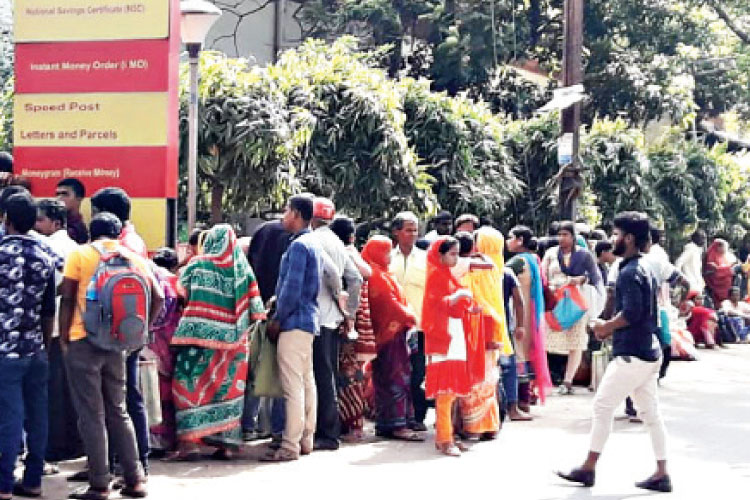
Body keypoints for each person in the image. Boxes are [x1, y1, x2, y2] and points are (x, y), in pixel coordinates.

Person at [558, 211, 671, 493]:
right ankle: (662, 472)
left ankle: (588, 468)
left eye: (616, 235)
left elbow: (632, 312)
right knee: (651, 414)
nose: (613, 239)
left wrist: (605, 326)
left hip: (632, 354)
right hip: (648, 352)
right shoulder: (642, 266)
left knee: (602, 406)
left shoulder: (631, 271)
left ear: (629, 239)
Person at [60, 212, 164, 499]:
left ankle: (99, 483)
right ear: (118, 234)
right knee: (119, 410)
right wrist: (139, 335)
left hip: (83, 341)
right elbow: (158, 296)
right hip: (117, 343)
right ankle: (135, 479)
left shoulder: (80, 255)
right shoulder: (134, 258)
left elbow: (68, 298)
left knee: (91, 415)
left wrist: (65, 338)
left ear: (91, 232)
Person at [170, 224, 266, 460]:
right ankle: (227, 445)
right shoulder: (244, 271)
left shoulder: (197, 264)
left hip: (196, 338)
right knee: (229, 392)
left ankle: (189, 444)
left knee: (187, 385)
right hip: (234, 345)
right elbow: (256, 311)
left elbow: (179, 293)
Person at [88, 187, 150, 477]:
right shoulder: (131, 242)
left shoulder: (123, 246)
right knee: (123, 397)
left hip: (118, 332)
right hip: (127, 330)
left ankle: (128, 464)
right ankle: (126, 463)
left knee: (122, 400)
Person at [0, 193, 57, 500]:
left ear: (6, 219)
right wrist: (44, 346)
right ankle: (33, 480)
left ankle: (4, 483)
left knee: (8, 416)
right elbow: (49, 309)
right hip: (35, 346)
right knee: (37, 414)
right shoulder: (44, 255)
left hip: (5, 350)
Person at [262, 194, 325, 462]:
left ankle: (289, 444)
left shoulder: (299, 246)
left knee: (292, 386)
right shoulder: (314, 243)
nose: (283, 216)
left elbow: (291, 290)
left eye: (286, 211)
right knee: (306, 382)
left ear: (297, 214)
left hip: (294, 322)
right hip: (308, 321)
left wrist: (277, 318)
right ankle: (305, 438)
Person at [310, 197, 363, 451]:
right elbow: (355, 279)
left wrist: (340, 301)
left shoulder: (314, 241)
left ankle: (326, 434)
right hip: (332, 320)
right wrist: (348, 313)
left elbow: (339, 279)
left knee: (319, 377)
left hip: (315, 318)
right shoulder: (337, 243)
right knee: (327, 376)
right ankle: (327, 431)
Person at [422, 236, 483, 456]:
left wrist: (468, 306)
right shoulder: (435, 276)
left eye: (458, 254)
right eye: (452, 254)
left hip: (455, 335)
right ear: (440, 255)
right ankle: (444, 439)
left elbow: (458, 304)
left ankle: (448, 436)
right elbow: (433, 306)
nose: (456, 258)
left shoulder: (447, 275)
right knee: (445, 392)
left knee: (454, 391)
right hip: (442, 338)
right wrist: (456, 297)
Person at [35, 199, 84, 465]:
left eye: (40, 220)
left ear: (55, 222)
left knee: (54, 392)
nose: (36, 224)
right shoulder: (75, 248)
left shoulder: (48, 248)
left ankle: (57, 446)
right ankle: (75, 444)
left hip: (53, 328)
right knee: (69, 391)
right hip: (73, 329)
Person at [360, 236, 421, 441]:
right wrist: (409, 316)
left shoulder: (385, 274)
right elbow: (388, 305)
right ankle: (396, 424)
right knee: (394, 379)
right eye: (385, 252)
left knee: (395, 378)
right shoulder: (376, 276)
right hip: (388, 335)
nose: (388, 256)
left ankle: (392, 422)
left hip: (395, 334)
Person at [459, 227, 513, 439]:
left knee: (474, 380)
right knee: (489, 379)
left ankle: (472, 426)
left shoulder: (473, 268)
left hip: (474, 329)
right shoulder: (497, 269)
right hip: (493, 330)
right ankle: (490, 425)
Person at [542, 221, 604, 395]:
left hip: (576, 303)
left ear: (573, 236)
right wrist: (550, 290)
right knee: (547, 339)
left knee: (575, 342)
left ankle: (568, 381)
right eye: (559, 234)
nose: (562, 238)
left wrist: (580, 280)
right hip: (555, 301)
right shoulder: (551, 253)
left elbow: (595, 278)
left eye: (566, 234)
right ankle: (545, 378)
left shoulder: (584, 255)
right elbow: (543, 276)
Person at [242, 219, 290, 445]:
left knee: (254, 367)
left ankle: (248, 425)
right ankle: (276, 428)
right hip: (281, 314)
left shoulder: (262, 231)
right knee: (281, 372)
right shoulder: (295, 239)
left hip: (257, 309)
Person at [328, 217, 374, 443]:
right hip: (354, 325)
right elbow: (367, 273)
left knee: (345, 374)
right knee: (352, 374)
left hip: (343, 323)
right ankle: (354, 423)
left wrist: (348, 317)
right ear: (352, 236)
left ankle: (349, 423)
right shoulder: (354, 254)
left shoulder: (341, 253)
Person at [389, 211, 429, 431]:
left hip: (420, 325)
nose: (413, 234)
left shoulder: (425, 258)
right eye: (408, 230)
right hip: (392, 327)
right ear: (396, 232)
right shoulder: (388, 259)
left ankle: (417, 416)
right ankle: (396, 417)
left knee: (418, 372)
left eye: (415, 230)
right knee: (394, 373)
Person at [506, 226, 553, 410]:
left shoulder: (517, 262)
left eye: (510, 237)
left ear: (519, 240)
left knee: (518, 354)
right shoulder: (534, 259)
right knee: (525, 353)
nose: (507, 241)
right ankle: (526, 398)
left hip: (519, 315)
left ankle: (519, 400)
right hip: (531, 315)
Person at [148, 248, 183, 453]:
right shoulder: (177, 282)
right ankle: (170, 438)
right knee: (169, 391)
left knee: (152, 389)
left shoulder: (151, 277)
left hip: (152, 340)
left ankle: (153, 438)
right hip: (173, 338)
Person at [499, 266, 531, 421]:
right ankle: (512, 408)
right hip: (502, 326)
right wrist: (520, 325)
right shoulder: (505, 272)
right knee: (508, 368)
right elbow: (519, 301)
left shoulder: (472, 269)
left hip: (477, 326)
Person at [703, 238, 738, 307]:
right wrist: (729, 270)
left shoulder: (723, 256)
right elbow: (713, 270)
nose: (725, 249)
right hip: (715, 282)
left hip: (726, 279)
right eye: (724, 247)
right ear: (718, 247)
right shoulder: (711, 256)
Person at [56, 178, 89, 244]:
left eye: (65, 194)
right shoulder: (55, 223)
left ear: (79, 198)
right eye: (58, 194)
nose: (59, 198)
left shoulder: (79, 229)